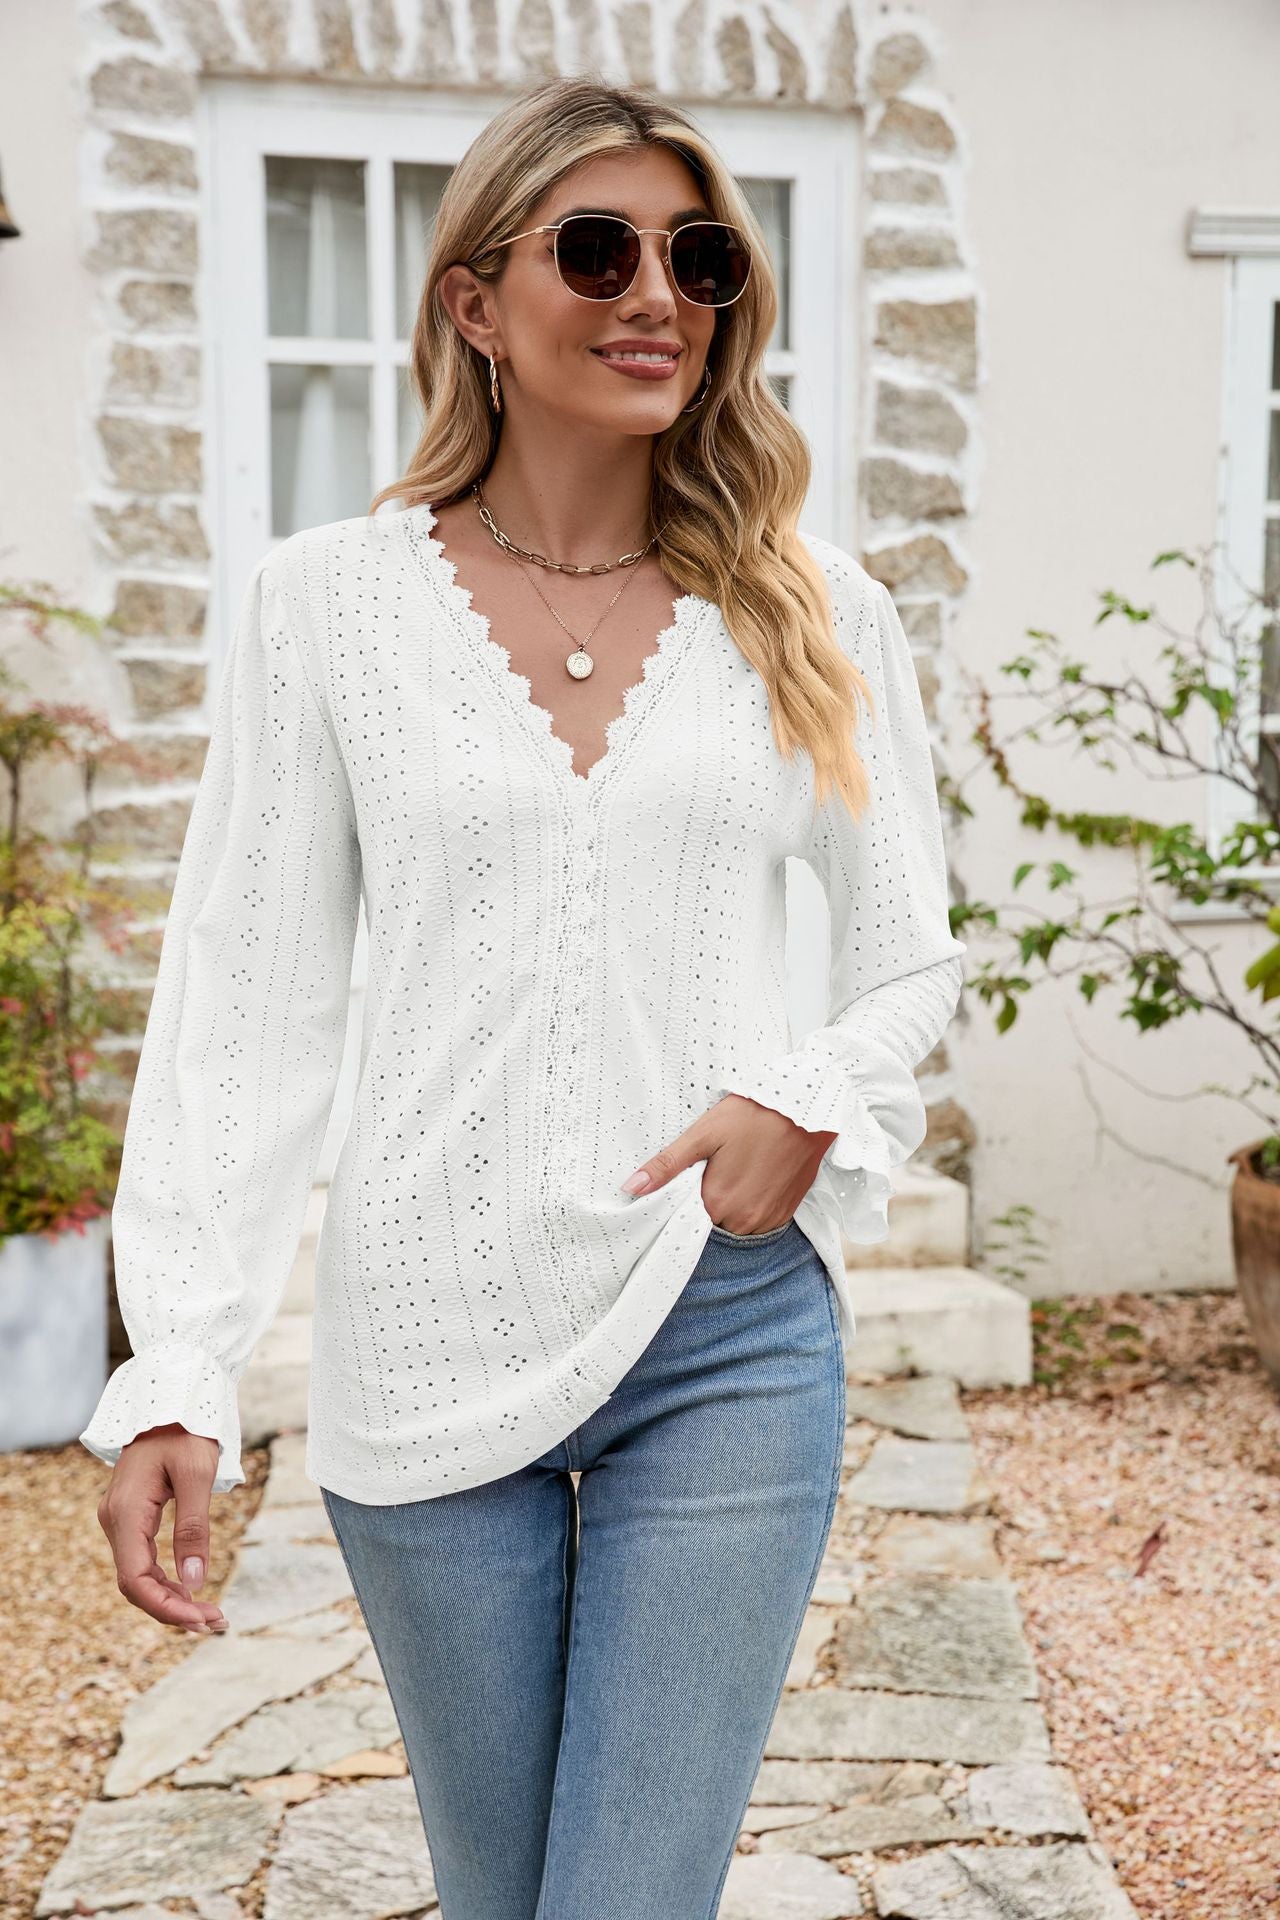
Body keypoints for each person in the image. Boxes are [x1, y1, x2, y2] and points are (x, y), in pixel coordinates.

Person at [82, 74, 967, 1920]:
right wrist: (180, 1364)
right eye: (599, 249)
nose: (658, 296)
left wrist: (807, 1092)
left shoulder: (814, 608)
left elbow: (907, 954)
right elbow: (244, 1010)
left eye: (700, 259)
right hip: (419, 1335)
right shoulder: (326, 607)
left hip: (719, 1330)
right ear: (474, 301)